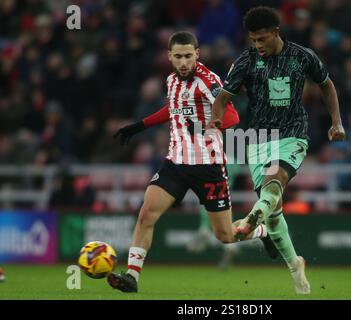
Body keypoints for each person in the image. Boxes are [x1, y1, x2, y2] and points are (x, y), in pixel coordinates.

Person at [107, 31, 277, 293]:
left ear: (197, 54)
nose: (184, 62)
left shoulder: (208, 82)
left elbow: (231, 116)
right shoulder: (172, 80)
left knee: (225, 236)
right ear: (170, 57)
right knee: (145, 215)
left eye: (188, 56)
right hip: (175, 164)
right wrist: (139, 126)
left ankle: (262, 232)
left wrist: (208, 125)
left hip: (209, 167)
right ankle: (132, 276)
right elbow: (173, 108)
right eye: (178, 57)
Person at [207, 7, 346, 294]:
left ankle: (249, 219)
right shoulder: (245, 61)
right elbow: (223, 98)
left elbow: (327, 85)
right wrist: (214, 120)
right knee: (274, 212)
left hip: (292, 133)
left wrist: (337, 121)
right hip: (258, 139)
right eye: (253, 40)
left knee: (276, 179)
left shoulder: (302, 56)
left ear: (275, 33)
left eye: (262, 39)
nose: (258, 45)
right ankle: (295, 264)